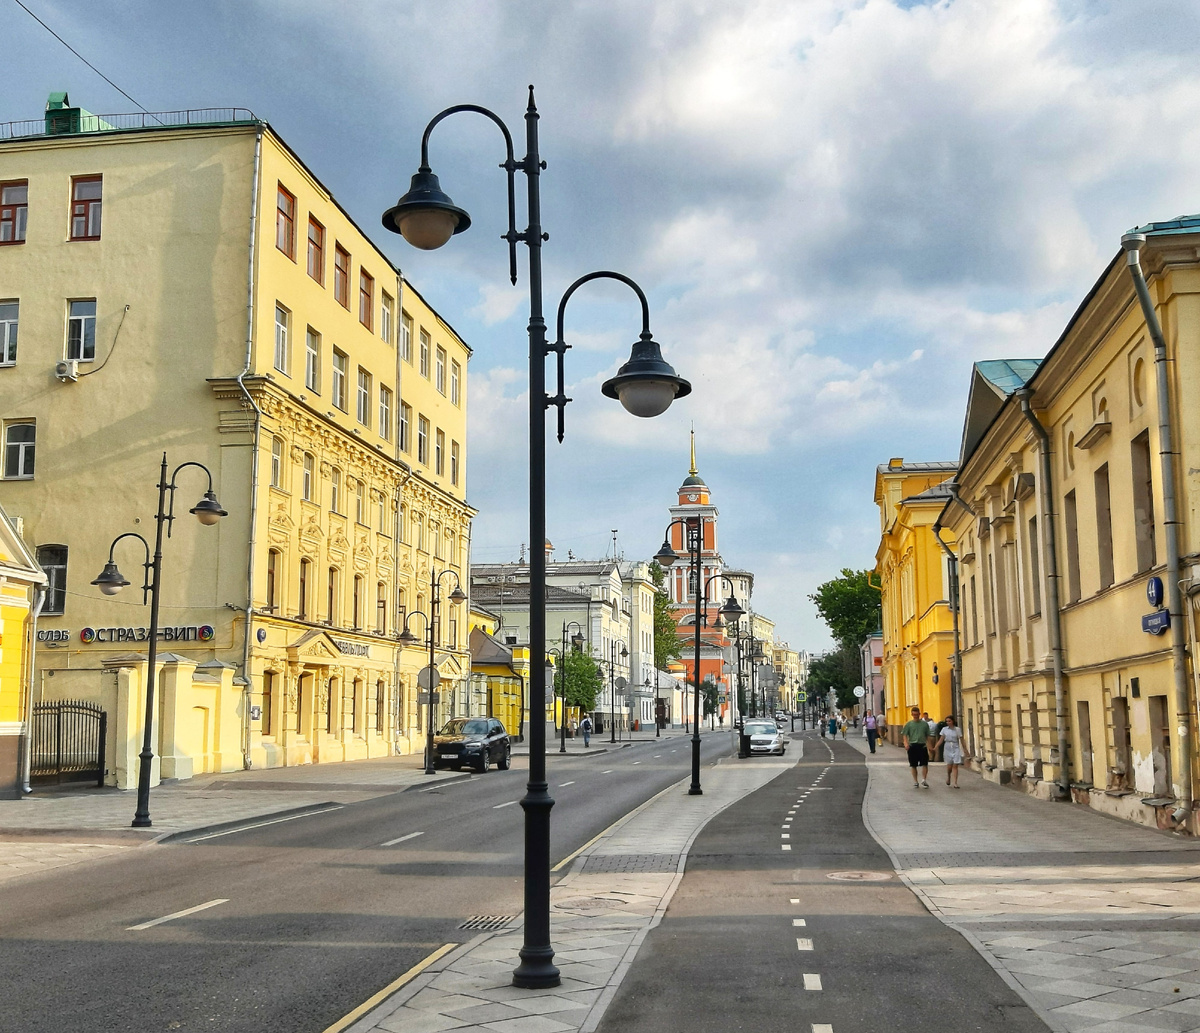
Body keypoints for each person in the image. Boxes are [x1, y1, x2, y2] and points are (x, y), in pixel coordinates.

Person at [901, 706, 931, 787]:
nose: (915, 716)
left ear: (919, 714)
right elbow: (904, 735)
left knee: (925, 763)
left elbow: (928, 735)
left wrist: (929, 746)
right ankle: (915, 781)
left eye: (917, 714)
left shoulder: (924, 724)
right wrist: (906, 744)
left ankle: (924, 780)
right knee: (913, 765)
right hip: (912, 746)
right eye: (914, 714)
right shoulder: (909, 724)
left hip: (922, 745)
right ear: (912, 714)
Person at [937, 715, 964, 787]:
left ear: (953, 721)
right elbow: (941, 739)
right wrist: (935, 747)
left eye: (949, 721)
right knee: (949, 766)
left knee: (955, 765)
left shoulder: (957, 729)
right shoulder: (944, 729)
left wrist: (965, 750)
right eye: (947, 721)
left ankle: (955, 782)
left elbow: (961, 740)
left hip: (955, 746)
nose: (948, 722)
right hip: (947, 746)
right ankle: (948, 776)